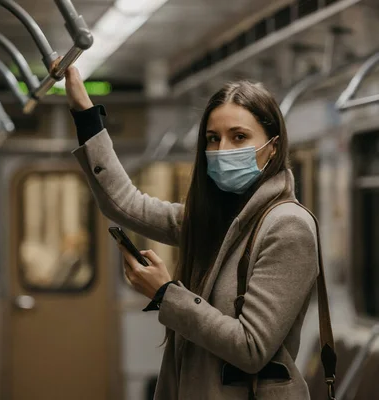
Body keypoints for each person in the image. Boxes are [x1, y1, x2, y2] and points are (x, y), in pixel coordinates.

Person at [63, 62, 324, 399]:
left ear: (273, 147)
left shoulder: (287, 226)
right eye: (213, 139)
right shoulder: (216, 221)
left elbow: (251, 347)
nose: (222, 150)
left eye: (239, 137)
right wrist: (85, 114)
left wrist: (166, 294)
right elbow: (124, 203)